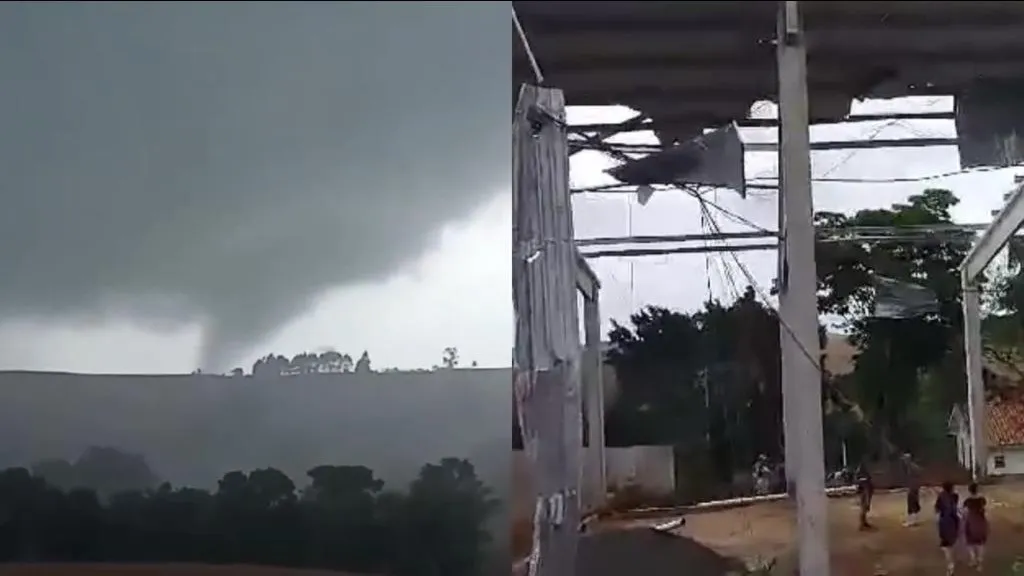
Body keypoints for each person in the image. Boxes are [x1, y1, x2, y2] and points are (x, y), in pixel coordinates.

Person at [934, 481, 960, 576]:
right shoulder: (954, 496)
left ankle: (950, 566)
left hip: (944, 521)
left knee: (946, 545)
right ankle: (952, 561)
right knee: (952, 541)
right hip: (954, 521)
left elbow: (937, 508)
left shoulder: (942, 496)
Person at [963, 482, 989, 571]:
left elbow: (964, 512)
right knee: (980, 544)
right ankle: (980, 564)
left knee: (970, 543)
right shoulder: (982, 499)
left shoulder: (967, 501)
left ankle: (973, 559)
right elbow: (986, 510)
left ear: (969, 490)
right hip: (981, 523)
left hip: (971, 522)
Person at [901, 453, 922, 526]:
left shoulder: (913, 467)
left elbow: (918, 475)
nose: (904, 461)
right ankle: (913, 520)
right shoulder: (909, 467)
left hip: (913, 487)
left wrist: (914, 487)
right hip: (912, 487)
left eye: (905, 459)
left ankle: (911, 521)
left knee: (911, 503)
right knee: (913, 503)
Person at [855, 463, 875, 531]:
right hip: (865, 493)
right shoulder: (864, 479)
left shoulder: (862, 477)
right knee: (864, 508)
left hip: (865, 493)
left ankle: (864, 522)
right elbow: (865, 489)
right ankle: (862, 524)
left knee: (864, 508)